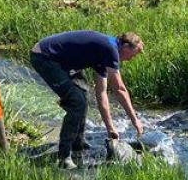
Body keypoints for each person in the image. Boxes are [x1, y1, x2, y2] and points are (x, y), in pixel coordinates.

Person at [30, 30, 144, 169]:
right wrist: (135, 120)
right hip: (44, 56)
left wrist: (110, 128)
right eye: (133, 55)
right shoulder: (110, 49)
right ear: (126, 47)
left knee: (83, 94)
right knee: (77, 102)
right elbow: (119, 89)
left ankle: (78, 144)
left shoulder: (106, 53)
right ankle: (64, 157)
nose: (131, 59)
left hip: (59, 60)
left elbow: (101, 93)